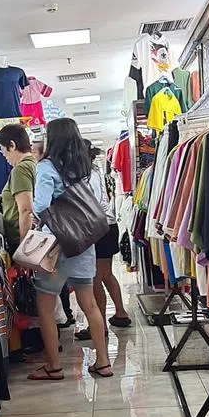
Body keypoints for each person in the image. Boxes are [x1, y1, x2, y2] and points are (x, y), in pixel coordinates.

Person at [27, 119, 113, 380]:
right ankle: (103, 361)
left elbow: (40, 205)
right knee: (89, 303)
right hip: (83, 243)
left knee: (45, 304)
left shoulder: (46, 168)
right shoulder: (86, 168)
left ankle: (54, 366)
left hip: (55, 245)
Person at [75, 146, 131, 342]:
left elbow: (90, 203)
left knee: (96, 278)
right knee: (106, 274)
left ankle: (98, 327)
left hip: (98, 227)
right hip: (108, 224)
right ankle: (121, 313)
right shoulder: (95, 172)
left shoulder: (85, 175)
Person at [0, 124, 36, 249]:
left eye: (3, 151)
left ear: (12, 145)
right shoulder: (35, 164)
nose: (4, 156)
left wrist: (23, 246)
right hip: (35, 236)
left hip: (22, 238)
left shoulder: (20, 170)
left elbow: (26, 210)